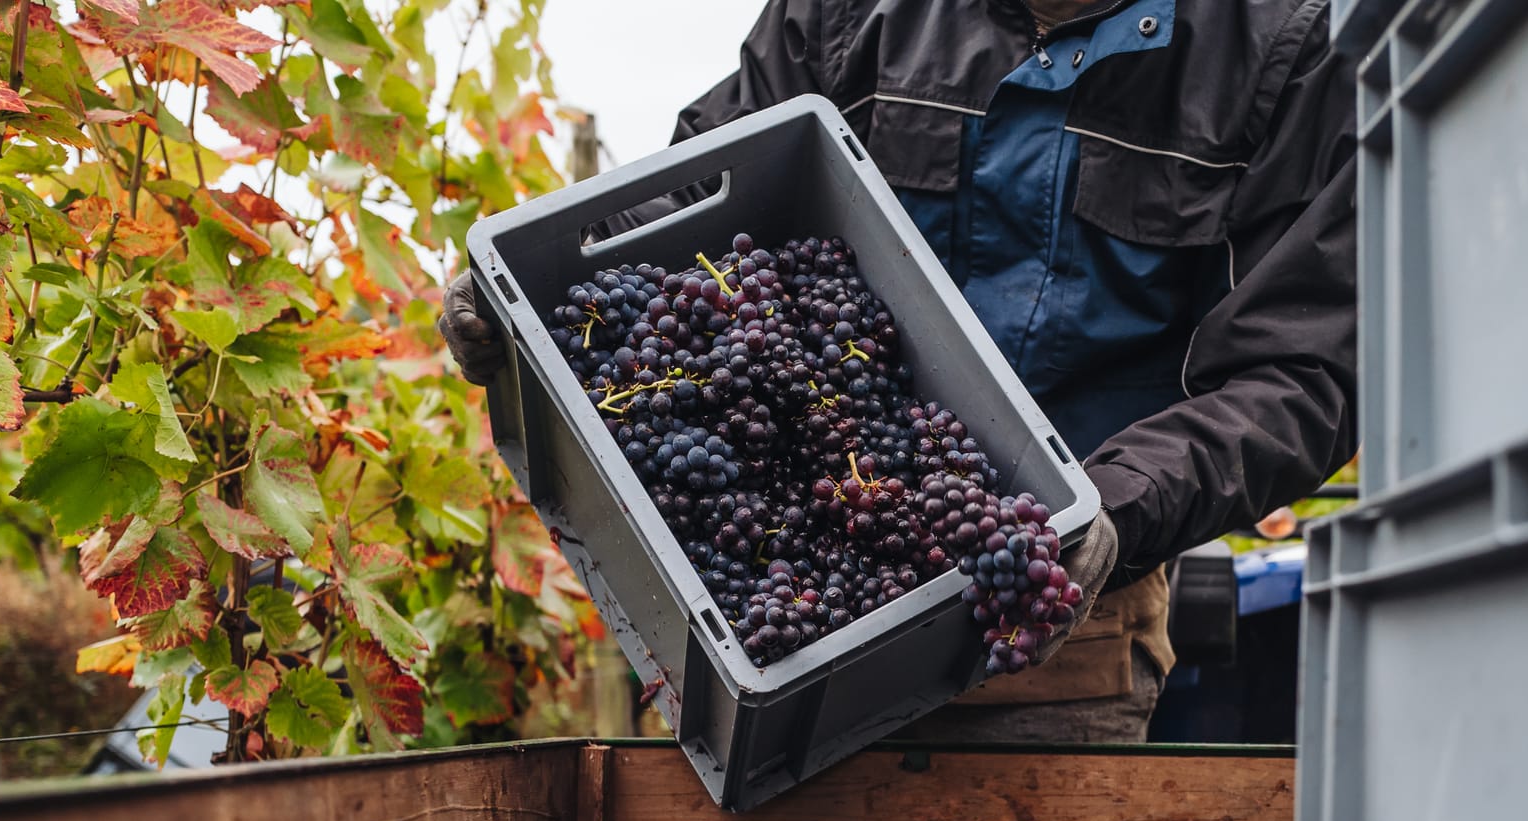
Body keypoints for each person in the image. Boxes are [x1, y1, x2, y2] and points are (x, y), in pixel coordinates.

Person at [440, 0, 1358, 743]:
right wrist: (544, 294)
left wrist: (1117, 503)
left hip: (1051, 638)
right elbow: (699, 192)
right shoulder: (850, 12)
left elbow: (1300, 369)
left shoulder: (1276, 49)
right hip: (794, 626)